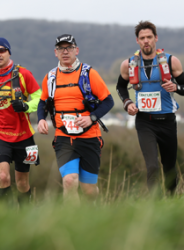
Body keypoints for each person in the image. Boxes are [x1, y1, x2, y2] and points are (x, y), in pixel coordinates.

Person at [116, 21, 184, 193]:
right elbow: (120, 87)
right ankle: (154, 207)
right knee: (152, 166)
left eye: (149, 37)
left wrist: (176, 88)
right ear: (137, 41)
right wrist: (127, 103)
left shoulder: (171, 62)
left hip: (167, 121)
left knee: (169, 168)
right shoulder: (128, 65)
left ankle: (171, 204)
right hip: (145, 122)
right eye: (142, 38)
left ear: (156, 38)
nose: (146, 41)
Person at [37, 34, 114, 203]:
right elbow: (43, 102)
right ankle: (72, 225)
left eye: (69, 48)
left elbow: (108, 101)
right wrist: (41, 119)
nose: (65, 52)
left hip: (89, 138)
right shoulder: (50, 77)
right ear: (55, 53)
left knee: (88, 189)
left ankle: (94, 216)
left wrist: (91, 118)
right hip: (64, 138)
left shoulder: (89, 74)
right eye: (61, 48)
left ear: (76, 50)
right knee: (69, 181)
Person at [0, 37, 41, 205]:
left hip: (24, 136)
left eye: (2, 50)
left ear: (9, 52)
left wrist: (26, 106)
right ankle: (6, 221)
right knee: (3, 177)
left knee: (22, 182)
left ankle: (25, 217)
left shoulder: (24, 74)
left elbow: (40, 98)